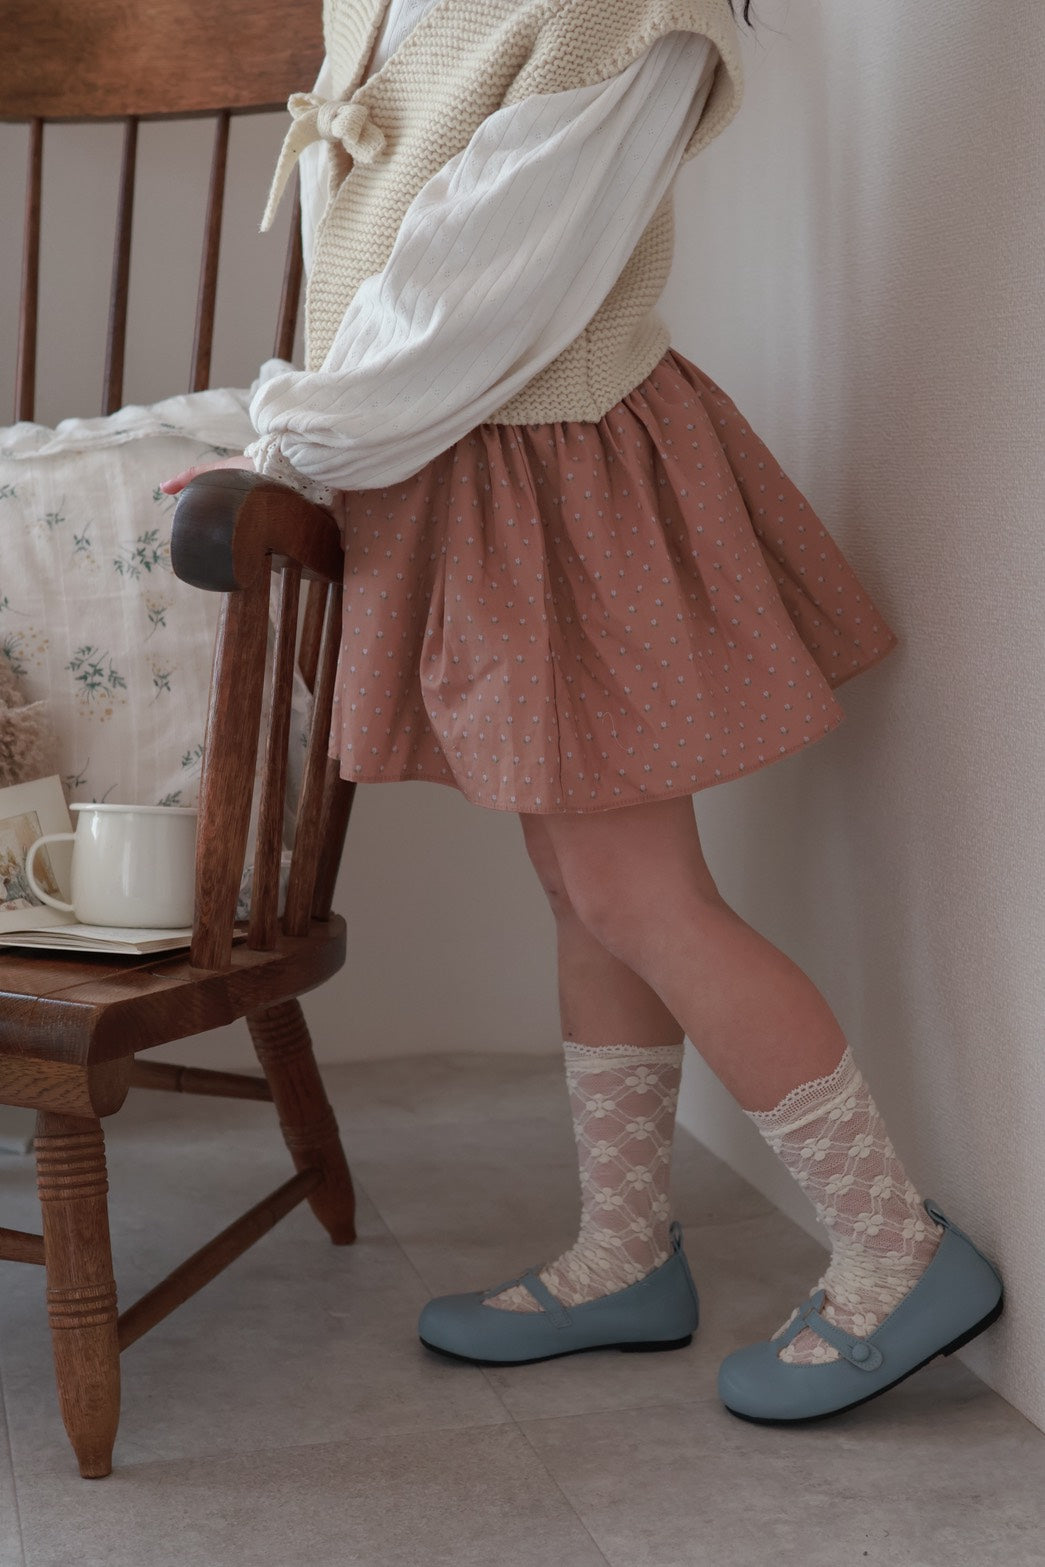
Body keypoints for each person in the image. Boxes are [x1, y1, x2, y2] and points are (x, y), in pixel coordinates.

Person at [161, 0, 1003, 1422]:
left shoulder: (612, 14)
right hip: (467, 469)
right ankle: (623, 1251)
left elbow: (485, 278)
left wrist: (291, 441)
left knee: (638, 893)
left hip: (551, 482)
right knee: (582, 888)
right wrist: (300, 432)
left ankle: (892, 1248)